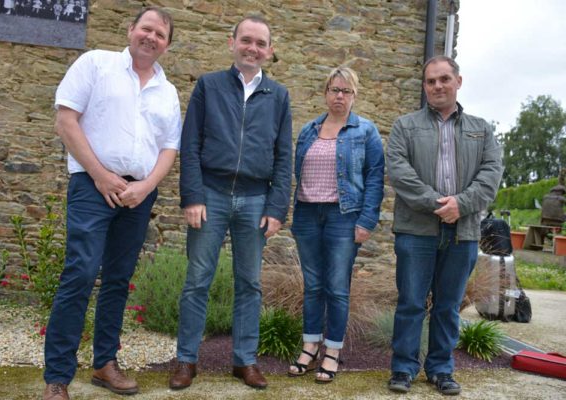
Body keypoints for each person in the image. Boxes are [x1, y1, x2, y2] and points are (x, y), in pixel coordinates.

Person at [42, 7, 181, 400]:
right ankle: (57, 378)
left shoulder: (167, 92)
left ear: (166, 46)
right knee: (81, 273)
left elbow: (169, 148)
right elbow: (66, 121)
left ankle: (105, 363)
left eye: (160, 35)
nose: (151, 37)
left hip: (139, 194)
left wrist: (147, 187)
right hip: (92, 185)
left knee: (118, 280)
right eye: (146, 29)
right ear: (131, 29)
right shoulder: (95, 64)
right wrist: (101, 174)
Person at [170, 15, 292, 391]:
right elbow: (189, 144)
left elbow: (283, 156)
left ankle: (245, 361)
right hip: (210, 195)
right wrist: (192, 195)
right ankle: (186, 360)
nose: (252, 48)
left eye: (260, 43)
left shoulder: (279, 96)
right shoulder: (208, 86)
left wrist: (276, 208)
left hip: (256, 200)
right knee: (197, 281)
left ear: (269, 52)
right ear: (232, 42)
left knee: (249, 283)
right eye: (246, 40)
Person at [386, 55, 503, 395]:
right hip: (415, 231)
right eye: (430, 81)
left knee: (448, 306)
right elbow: (400, 174)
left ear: (458, 82)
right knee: (410, 302)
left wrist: (461, 205)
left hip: (463, 233)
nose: (437, 86)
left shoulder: (482, 130)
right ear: (424, 87)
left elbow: (490, 176)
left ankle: (440, 369)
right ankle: (403, 369)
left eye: (443, 79)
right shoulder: (404, 126)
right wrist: (442, 205)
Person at [287, 67, 384, 384]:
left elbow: (375, 179)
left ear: (354, 96)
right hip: (306, 216)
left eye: (346, 91)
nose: (339, 96)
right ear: (325, 93)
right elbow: (296, 172)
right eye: (334, 90)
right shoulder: (308, 130)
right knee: (313, 286)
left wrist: (367, 220)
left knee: (337, 289)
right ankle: (310, 345)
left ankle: (332, 351)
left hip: (343, 217)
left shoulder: (365, 132)